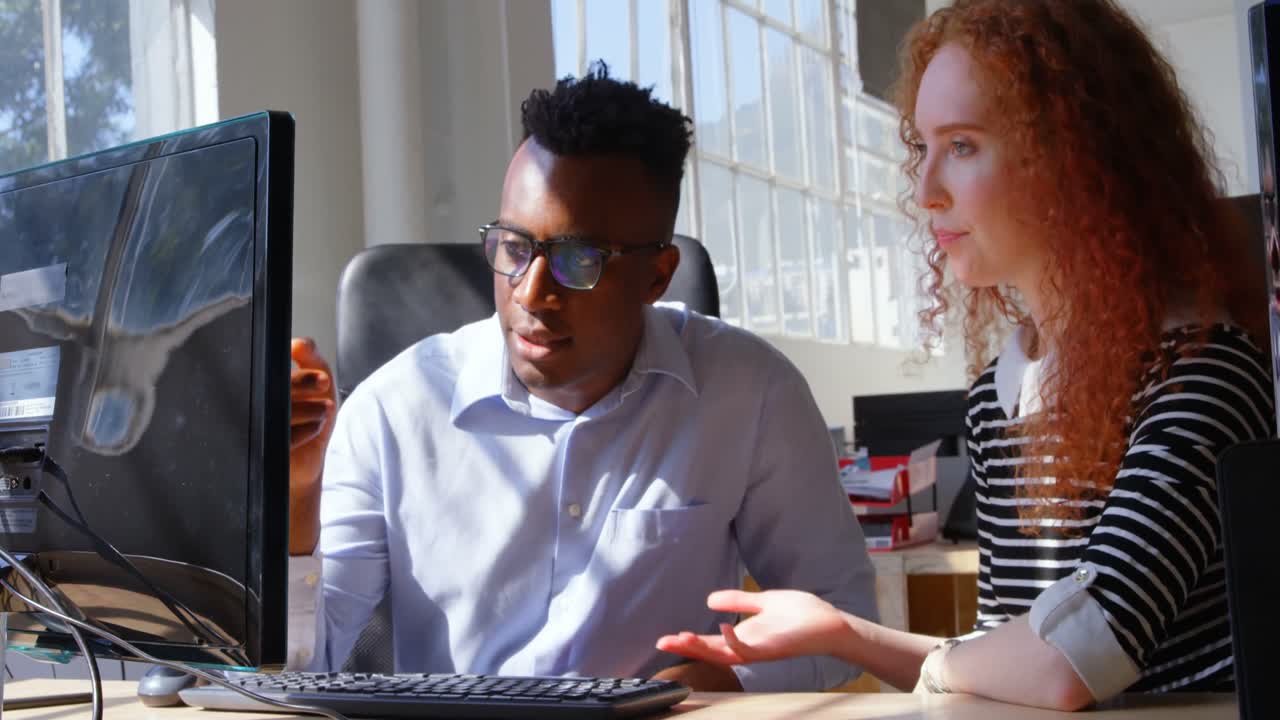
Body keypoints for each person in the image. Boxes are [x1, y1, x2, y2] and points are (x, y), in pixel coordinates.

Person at [656, 0, 1275, 710]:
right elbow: (1002, 654)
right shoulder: (996, 398)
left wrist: (950, 662)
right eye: (924, 148)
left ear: (1076, 159)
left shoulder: (1203, 375)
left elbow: (1069, 660)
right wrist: (841, 633)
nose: (924, 192)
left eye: (963, 146)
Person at [287, 63, 877, 692]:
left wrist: (722, 683)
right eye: (514, 248)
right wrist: (297, 499)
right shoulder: (392, 409)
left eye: (578, 260)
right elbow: (305, 661)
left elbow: (842, 619)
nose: (532, 294)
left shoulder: (750, 393)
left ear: (657, 275)